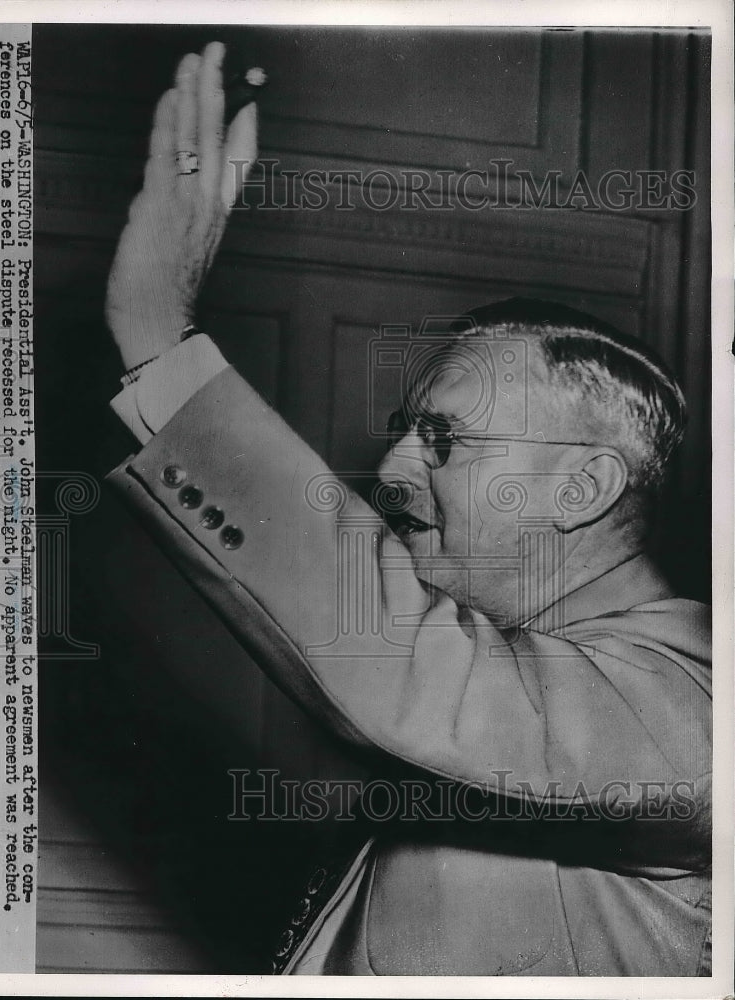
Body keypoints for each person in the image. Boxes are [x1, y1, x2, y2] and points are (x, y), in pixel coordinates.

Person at [104, 43, 711, 975]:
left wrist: (158, 334)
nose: (388, 471)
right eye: (403, 433)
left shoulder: (692, 701)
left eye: (442, 439)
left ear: (582, 488)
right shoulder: (535, 687)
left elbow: (410, 670)